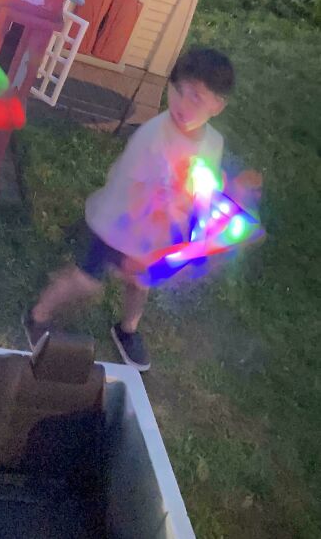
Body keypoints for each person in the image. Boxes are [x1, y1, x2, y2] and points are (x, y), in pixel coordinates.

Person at [23, 47, 237, 373]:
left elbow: (203, 183)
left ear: (217, 105)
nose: (181, 103)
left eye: (196, 97)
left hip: (157, 234)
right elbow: (131, 192)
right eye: (177, 90)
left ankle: (127, 330)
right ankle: (37, 314)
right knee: (87, 281)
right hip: (117, 223)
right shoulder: (153, 136)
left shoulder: (213, 142)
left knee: (140, 285)